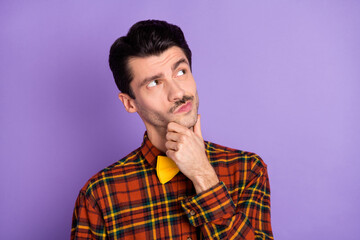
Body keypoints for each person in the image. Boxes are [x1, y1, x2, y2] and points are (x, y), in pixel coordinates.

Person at [71, 20, 273, 240]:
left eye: (180, 72)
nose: (177, 92)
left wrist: (203, 177)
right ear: (130, 103)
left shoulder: (247, 170)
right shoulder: (99, 195)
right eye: (154, 83)